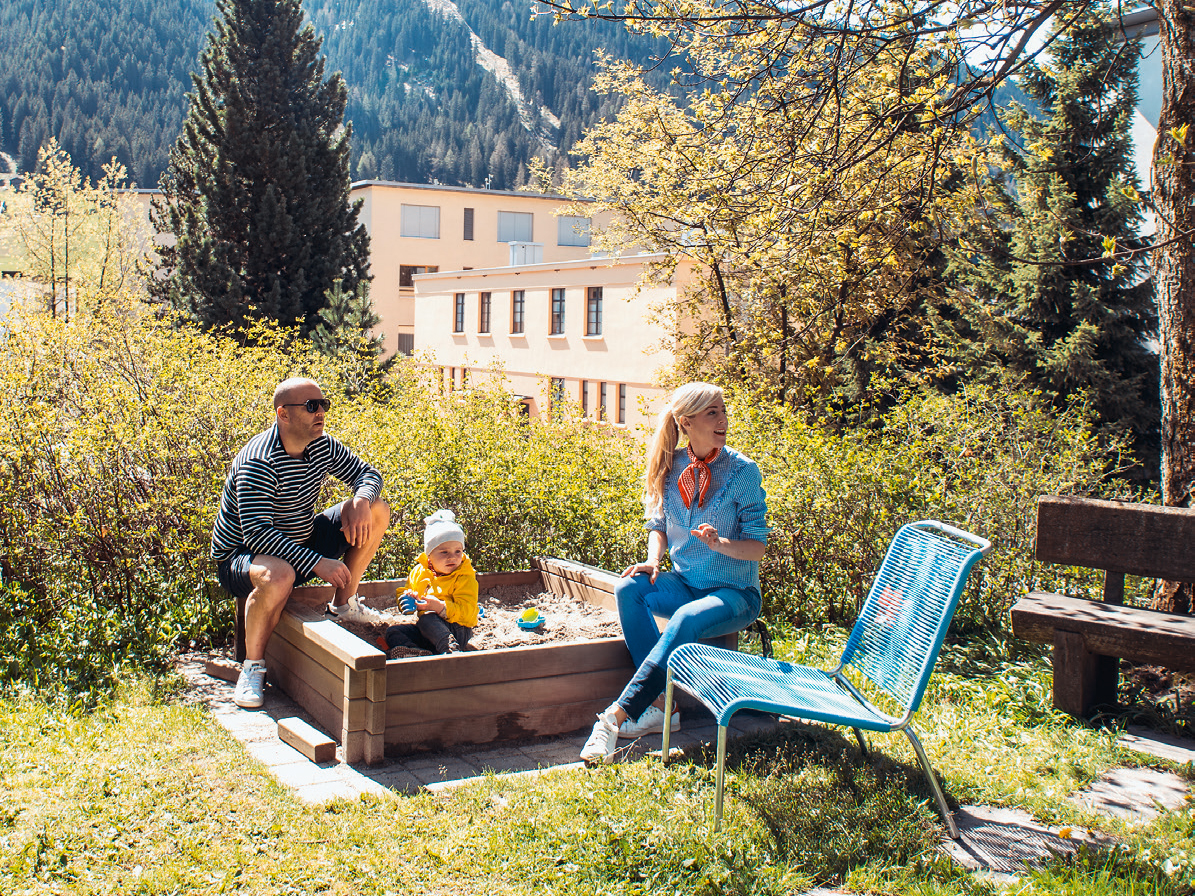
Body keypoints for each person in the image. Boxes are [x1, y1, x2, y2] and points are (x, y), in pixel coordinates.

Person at [580, 382, 768, 765]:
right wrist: (653, 561)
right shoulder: (673, 466)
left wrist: (721, 545)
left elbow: (758, 547)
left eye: (723, 410)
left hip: (734, 593)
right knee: (629, 588)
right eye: (711, 412)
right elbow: (659, 524)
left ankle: (616, 717)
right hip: (685, 583)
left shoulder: (743, 471)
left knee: (683, 618)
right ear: (686, 422)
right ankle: (663, 708)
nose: (723, 419)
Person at [212, 377, 391, 708]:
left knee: (378, 510)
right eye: (311, 406)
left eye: (323, 404)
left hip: (302, 539)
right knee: (278, 575)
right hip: (245, 557)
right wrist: (317, 563)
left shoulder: (321, 445)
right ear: (283, 414)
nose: (320, 412)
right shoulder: (259, 461)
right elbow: (258, 535)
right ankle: (252, 667)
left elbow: (369, 475)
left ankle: (342, 606)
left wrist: (362, 499)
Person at [383, 510, 479, 657]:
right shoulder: (420, 571)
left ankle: (451, 649)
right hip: (428, 630)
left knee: (427, 618)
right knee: (393, 632)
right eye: (444, 552)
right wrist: (407, 598)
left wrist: (441, 607)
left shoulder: (464, 576)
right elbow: (409, 590)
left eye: (458, 551)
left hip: (457, 629)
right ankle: (416, 652)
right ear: (430, 555)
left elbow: (469, 613)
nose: (452, 557)